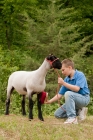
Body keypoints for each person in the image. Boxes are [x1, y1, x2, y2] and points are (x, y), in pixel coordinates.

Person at [45, 59, 90, 124]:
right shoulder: (67, 79)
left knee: (68, 94)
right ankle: (79, 111)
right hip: (74, 101)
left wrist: (63, 83)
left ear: (69, 68)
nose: (62, 72)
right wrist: (49, 101)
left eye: (63, 70)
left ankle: (72, 118)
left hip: (84, 99)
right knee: (57, 114)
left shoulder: (80, 75)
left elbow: (77, 89)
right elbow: (60, 95)